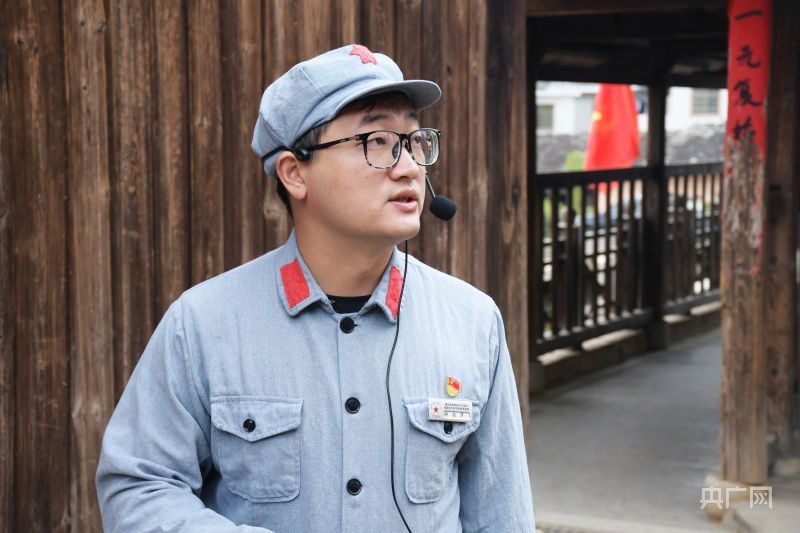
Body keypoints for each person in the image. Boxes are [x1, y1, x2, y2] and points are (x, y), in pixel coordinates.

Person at [96, 44, 535, 532]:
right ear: (295, 173)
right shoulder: (203, 323)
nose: (409, 166)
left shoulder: (473, 321)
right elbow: (138, 485)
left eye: (414, 140)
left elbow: (502, 514)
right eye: (377, 140)